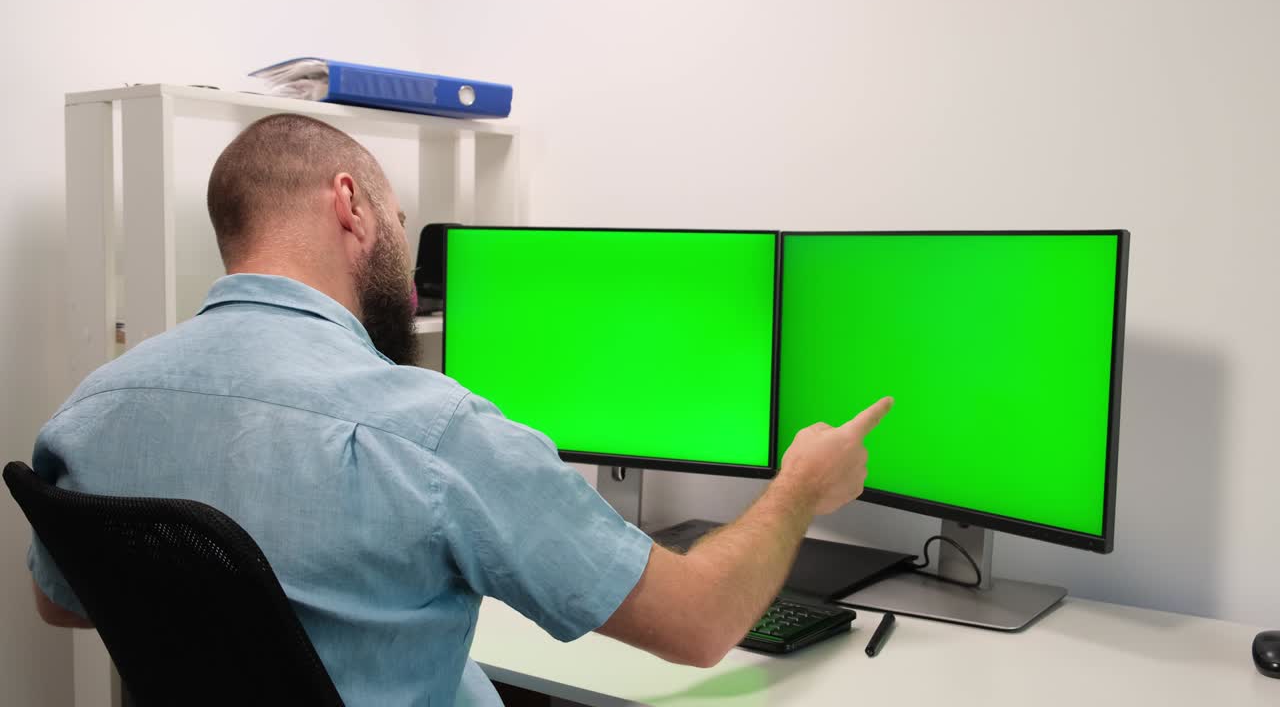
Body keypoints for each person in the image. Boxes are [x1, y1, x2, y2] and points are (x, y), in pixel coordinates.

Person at [27, 114, 892, 706]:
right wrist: (801, 488)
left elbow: (62, 602)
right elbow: (702, 623)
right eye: (401, 221)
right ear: (350, 204)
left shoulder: (93, 408)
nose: (406, 264)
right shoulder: (431, 431)